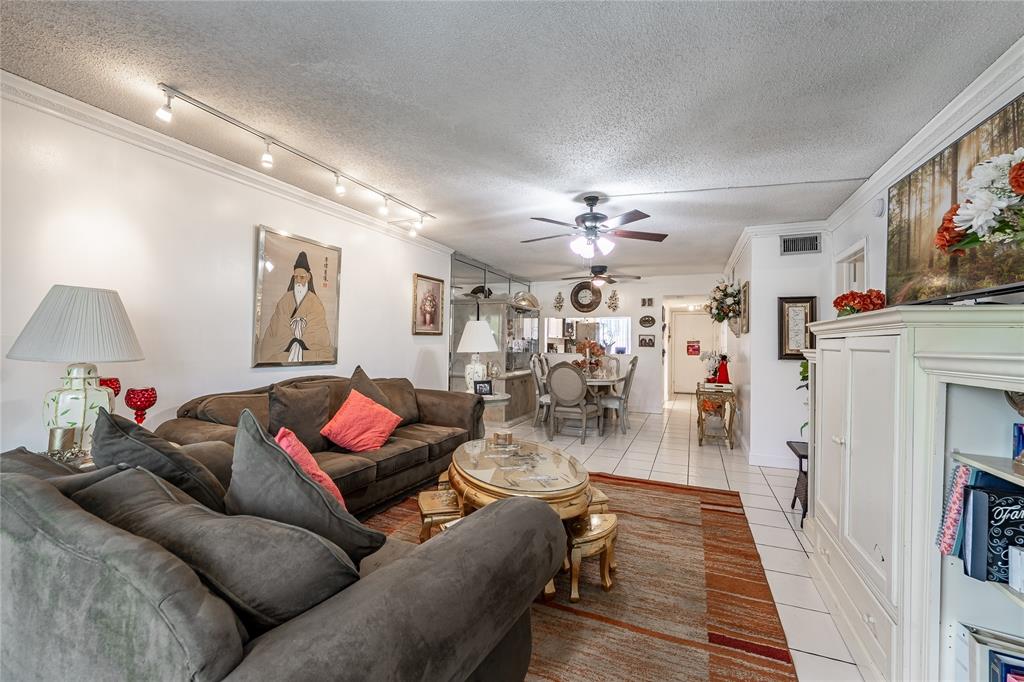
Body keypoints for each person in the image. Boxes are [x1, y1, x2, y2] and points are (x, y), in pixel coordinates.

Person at [257, 251, 334, 363]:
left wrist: (301, 342)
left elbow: (318, 328)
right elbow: (278, 324)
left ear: (308, 278)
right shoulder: (285, 299)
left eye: (302, 277)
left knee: (322, 355)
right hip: (284, 346)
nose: (298, 281)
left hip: (308, 348)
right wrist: (293, 341)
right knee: (272, 356)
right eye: (296, 277)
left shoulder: (315, 302)